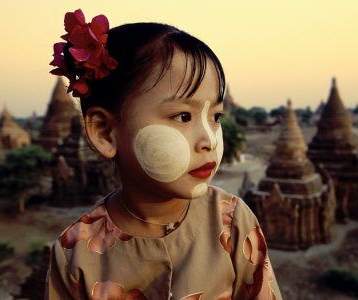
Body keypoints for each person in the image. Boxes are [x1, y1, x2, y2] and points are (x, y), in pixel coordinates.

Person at [46, 9, 282, 300]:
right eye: (183, 116)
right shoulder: (75, 253)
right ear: (106, 133)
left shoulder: (232, 220)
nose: (209, 140)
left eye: (216, 117)